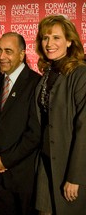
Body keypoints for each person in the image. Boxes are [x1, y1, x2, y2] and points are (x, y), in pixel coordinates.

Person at [0, 32, 41, 215]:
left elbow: (35, 133)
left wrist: (6, 161)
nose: (1, 56)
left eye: (8, 51)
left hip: (23, 176)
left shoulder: (36, 83)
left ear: (22, 54)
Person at [33, 15, 86, 215]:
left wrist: (75, 176)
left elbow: (84, 129)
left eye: (56, 37)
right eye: (45, 38)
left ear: (70, 41)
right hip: (46, 162)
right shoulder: (47, 73)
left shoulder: (80, 74)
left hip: (69, 166)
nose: (49, 43)